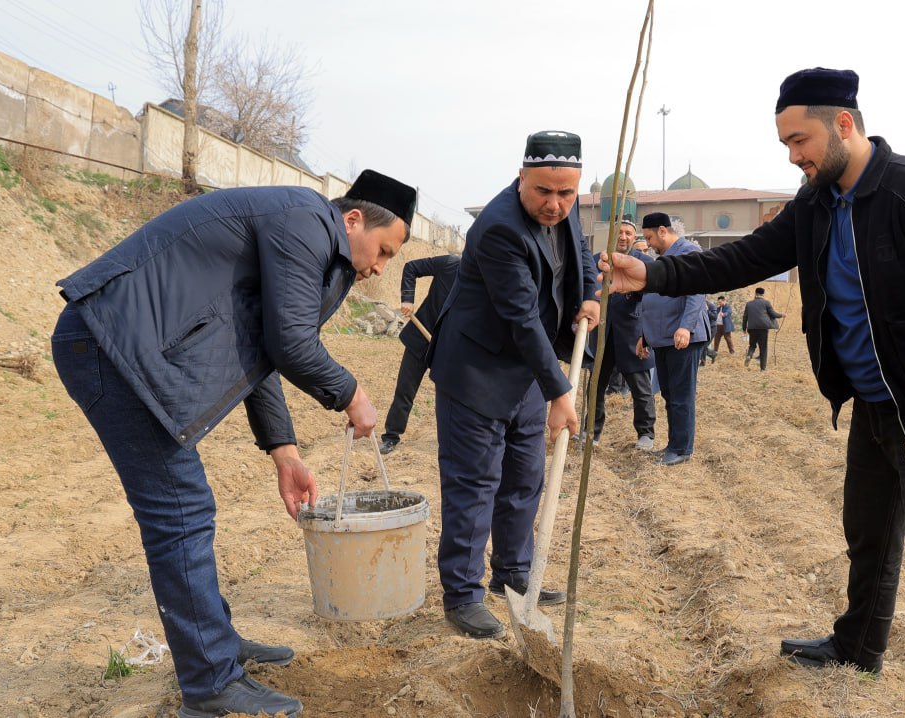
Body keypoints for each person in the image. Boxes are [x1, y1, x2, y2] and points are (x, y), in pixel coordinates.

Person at [600, 68, 905, 717]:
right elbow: (737, 259)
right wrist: (650, 271)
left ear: (844, 124)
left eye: (800, 139)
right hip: (874, 407)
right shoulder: (816, 207)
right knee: (868, 538)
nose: (793, 155)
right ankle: (857, 646)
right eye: (785, 142)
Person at [51, 170, 417, 718]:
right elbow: (290, 341)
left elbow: (261, 350)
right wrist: (351, 393)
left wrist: (284, 451)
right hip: (111, 344)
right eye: (384, 251)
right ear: (354, 220)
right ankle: (210, 684)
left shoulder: (302, 232)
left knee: (186, 509)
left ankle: (214, 647)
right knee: (180, 512)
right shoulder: (305, 220)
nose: (379, 269)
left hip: (123, 347)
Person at [427, 131, 600, 640]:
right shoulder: (499, 227)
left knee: (525, 476)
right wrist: (560, 390)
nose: (555, 204)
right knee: (474, 482)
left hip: (527, 367)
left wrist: (589, 295)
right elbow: (521, 317)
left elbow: (582, 254)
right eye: (544, 191)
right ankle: (462, 595)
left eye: (566, 194)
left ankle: (513, 575)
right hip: (477, 371)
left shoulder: (566, 212)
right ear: (521, 177)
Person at [637, 211, 709, 466]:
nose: (649, 244)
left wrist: (685, 327)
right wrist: (645, 336)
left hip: (681, 336)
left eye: (650, 238)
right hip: (664, 337)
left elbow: (697, 290)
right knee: (669, 394)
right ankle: (673, 444)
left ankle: (681, 449)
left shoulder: (688, 252)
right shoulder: (664, 258)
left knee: (681, 395)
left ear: (662, 231)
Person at [378, 252, 461, 455]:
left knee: (452, 397)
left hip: (448, 347)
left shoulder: (484, 282)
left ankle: (453, 441)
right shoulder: (449, 264)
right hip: (420, 338)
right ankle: (391, 436)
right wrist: (407, 299)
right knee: (405, 390)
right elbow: (411, 267)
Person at [589, 219, 656, 451]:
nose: (623, 237)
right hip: (601, 334)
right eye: (619, 232)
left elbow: (653, 303)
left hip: (632, 334)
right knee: (595, 386)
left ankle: (646, 434)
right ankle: (592, 433)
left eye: (628, 233)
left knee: (640, 387)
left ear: (634, 237)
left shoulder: (646, 263)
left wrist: (647, 335)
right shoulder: (596, 261)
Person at [742, 286, 784, 370]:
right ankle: (763, 369)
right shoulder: (766, 303)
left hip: (752, 328)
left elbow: (745, 317)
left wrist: (744, 328)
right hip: (763, 329)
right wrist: (781, 315)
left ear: (755, 293)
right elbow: (773, 314)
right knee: (763, 348)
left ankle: (749, 355)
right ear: (763, 294)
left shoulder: (749, 304)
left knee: (752, 345)